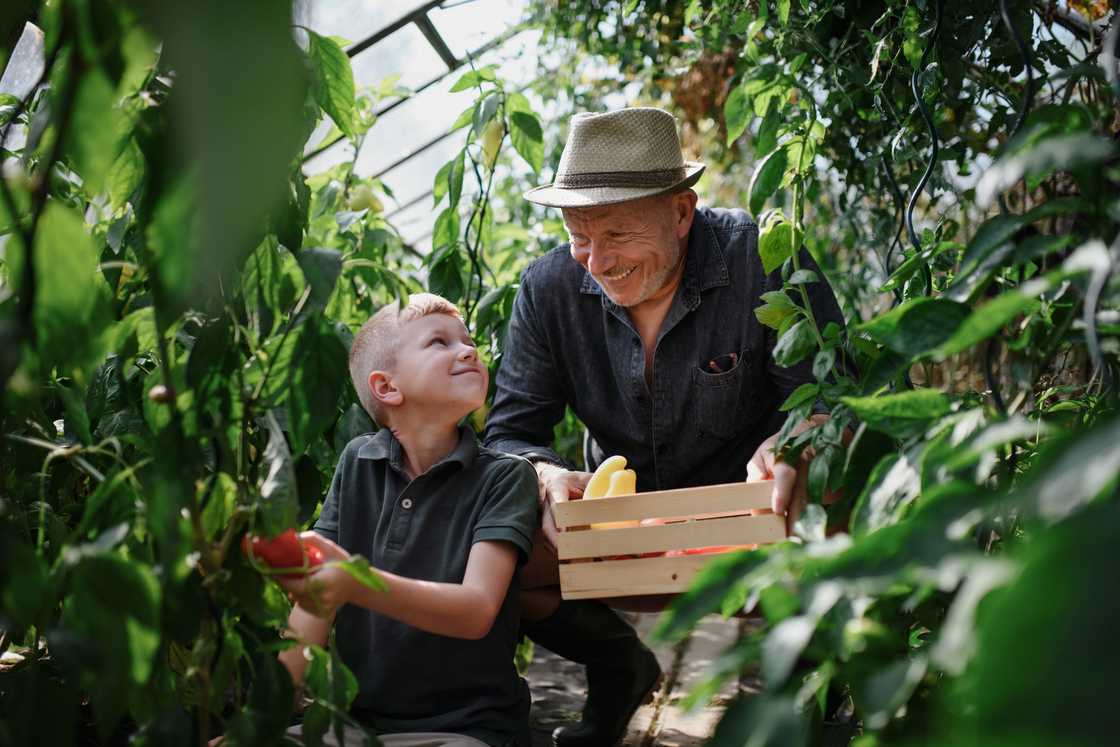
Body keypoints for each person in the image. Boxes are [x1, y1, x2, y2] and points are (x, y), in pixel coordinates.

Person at [482, 107, 848, 746]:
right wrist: (542, 474)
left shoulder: (763, 258)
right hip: (616, 535)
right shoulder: (547, 290)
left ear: (682, 212)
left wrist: (794, 442)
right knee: (483, 528)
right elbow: (510, 434)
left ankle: (813, 684)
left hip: (743, 526)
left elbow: (832, 400)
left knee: (840, 484)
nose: (595, 260)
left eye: (617, 234)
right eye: (578, 235)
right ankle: (616, 664)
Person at [275, 293, 540, 747]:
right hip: (357, 725)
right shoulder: (359, 460)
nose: (468, 350)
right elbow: (317, 601)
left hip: (465, 729)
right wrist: (263, 716)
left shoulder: (504, 476)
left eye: (468, 340)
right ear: (387, 387)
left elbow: (476, 611)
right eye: (439, 342)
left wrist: (358, 582)